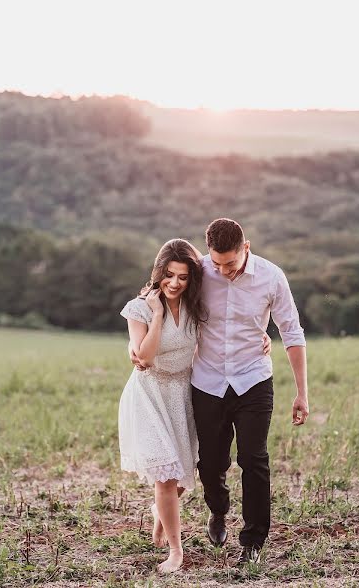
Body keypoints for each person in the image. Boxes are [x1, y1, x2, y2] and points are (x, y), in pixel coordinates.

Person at [120, 238, 272, 573]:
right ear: (159, 273)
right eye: (169, 275)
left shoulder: (195, 306)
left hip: (184, 393)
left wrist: (262, 337)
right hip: (150, 394)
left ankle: (163, 509)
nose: (175, 283)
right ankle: (176, 551)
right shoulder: (140, 308)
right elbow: (143, 356)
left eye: (183, 277)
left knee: (182, 477)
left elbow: (228, 328)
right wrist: (158, 313)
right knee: (165, 474)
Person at [191, 218, 309, 565]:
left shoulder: (272, 277)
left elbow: (292, 332)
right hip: (207, 380)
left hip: (253, 380)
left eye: (230, 263)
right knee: (210, 462)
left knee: (254, 459)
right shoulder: (199, 271)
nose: (224, 270)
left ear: (247, 248)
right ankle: (218, 509)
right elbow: (162, 292)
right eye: (217, 263)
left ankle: (253, 543)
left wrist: (302, 393)